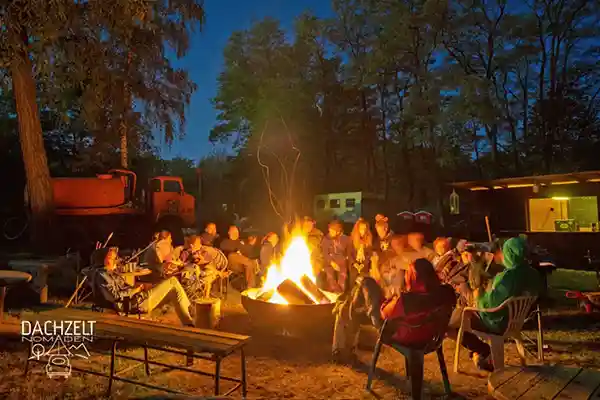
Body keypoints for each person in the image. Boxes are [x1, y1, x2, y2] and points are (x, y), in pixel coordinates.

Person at [332, 258, 456, 363]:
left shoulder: (407, 300)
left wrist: (392, 298)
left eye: (409, 274)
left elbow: (383, 313)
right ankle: (349, 305)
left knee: (367, 283)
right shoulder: (446, 292)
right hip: (431, 338)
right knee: (358, 299)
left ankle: (347, 305)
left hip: (397, 333)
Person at [447, 237, 541, 371]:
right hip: (516, 321)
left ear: (510, 254)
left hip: (496, 322)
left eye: (503, 252)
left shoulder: (508, 277)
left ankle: (482, 350)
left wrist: (478, 293)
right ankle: (481, 352)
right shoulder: (532, 273)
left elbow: (488, 306)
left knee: (451, 324)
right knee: (458, 314)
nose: (501, 255)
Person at [96, 246, 194, 326]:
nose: (115, 260)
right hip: (134, 303)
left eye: (114, 258)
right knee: (172, 282)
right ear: (104, 260)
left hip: (138, 299)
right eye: (112, 258)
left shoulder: (111, 273)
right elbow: (115, 296)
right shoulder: (103, 275)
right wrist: (136, 290)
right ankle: (190, 315)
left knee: (173, 290)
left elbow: (123, 288)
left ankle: (189, 323)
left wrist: (140, 287)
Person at [320, 220, 353, 293]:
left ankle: (340, 294)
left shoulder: (346, 239)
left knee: (342, 277)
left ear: (338, 231)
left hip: (341, 262)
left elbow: (349, 253)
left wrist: (348, 262)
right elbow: (325, 254)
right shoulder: (326, 239)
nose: (330, 232)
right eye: (330, 230)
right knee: (330, 277)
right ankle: (335, 293)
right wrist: (332, 263)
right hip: (329, 263)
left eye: (332, 230)